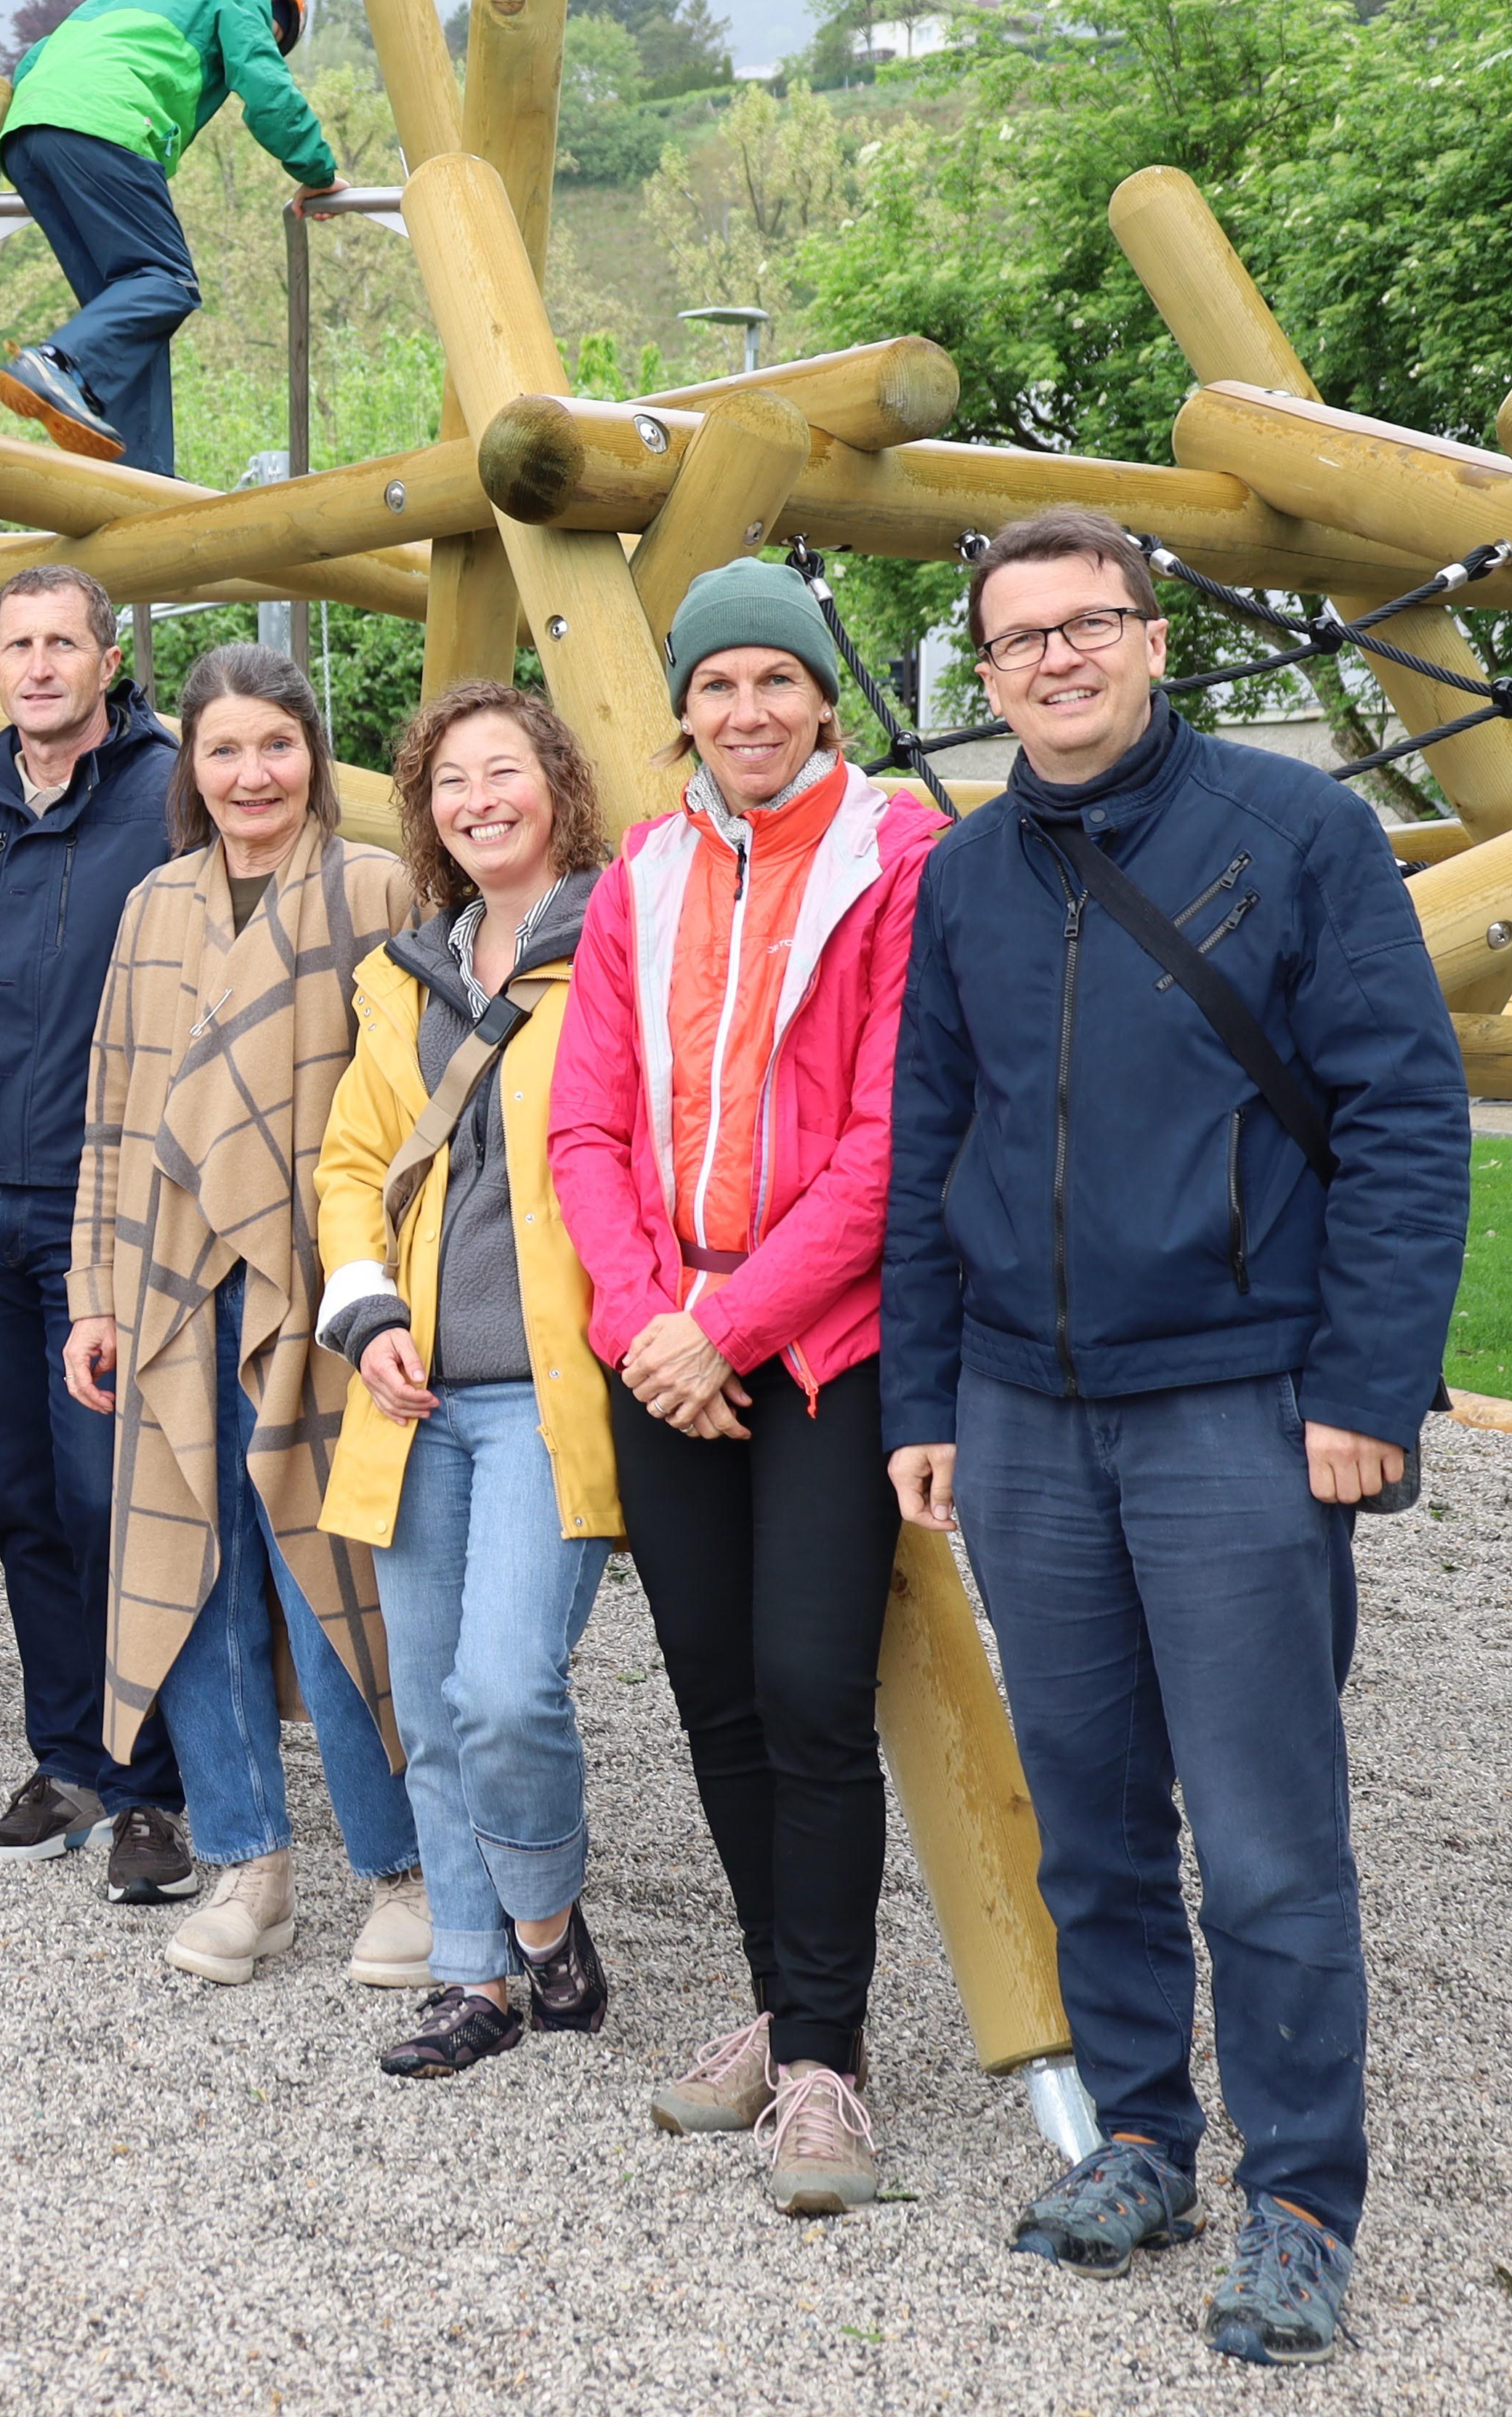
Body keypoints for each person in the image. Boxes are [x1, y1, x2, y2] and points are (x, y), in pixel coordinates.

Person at [884, 508, 1465, 2368]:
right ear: (985, 674)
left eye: (1089, 623)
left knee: (1270, 1831)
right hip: (1027, 1409)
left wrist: (1369, 1386)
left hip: (1235, 1393)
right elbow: (927, 1152)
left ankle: (1304, 2195)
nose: (1056, 657)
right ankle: (1145, 2131)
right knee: (1095, 1818)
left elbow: (1400, 1116)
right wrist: (922, 1393)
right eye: (1018, 636)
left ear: (1151, 638)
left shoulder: (1298, 834)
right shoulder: (964, 879)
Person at [545, 558, 945, 2214]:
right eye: (717, 686)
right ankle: (782, 2004)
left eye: (776, 681)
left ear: (822, 701)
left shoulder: (900, 853)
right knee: (710, 1689)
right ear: (686, 710)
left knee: (806, 1686)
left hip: (820, 1342)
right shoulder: (645, 866)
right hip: (666, 1342)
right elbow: (587, 1123)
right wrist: (649, 1318)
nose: (746, 711)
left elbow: (889, 1137)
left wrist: (733, 1322)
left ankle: (830, 2062)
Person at [65, 642, 419, 1983]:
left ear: (313, 754)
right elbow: (108, 1117)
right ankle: (245, 1862)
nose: (249, 773)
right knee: (191, 1573)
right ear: (189, 766)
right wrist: (92, 1294)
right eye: (222, 749)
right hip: (168, 1289)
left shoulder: (373, 886)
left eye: (275, 744)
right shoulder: (154, 904)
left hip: (326, 1293)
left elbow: (413, 1105)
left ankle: (398, 1871)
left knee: (330, 1579)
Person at [312, 684, 624, 2073]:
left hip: (550, 1385)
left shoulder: (618, 939)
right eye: (448, 782)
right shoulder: (404, 972)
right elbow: (346, 1163)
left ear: (554, 783)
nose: (477, 799)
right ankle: (472, 1972)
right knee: (428, 1690)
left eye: (502, 772)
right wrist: (363, 1309)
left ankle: (546, 1928)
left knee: (507, 1686)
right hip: (412, 1386)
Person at [0, 565, 197, 1897]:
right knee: (18, 1502)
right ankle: (64, 1759)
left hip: (105, 1216)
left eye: (66, 641)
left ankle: (152, 1790)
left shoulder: (167, 799)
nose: (41, 664)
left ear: (108, 661)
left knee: (107, 1498)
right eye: (19, 644)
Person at [0, 0, 336, 481]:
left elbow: (30, 65)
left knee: (129, 311)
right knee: (166, 281)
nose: (272, 39)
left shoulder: (108, 2)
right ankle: (56, 363)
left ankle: (141, 477)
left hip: (28, 140)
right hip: (108, 124)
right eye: (278, 31)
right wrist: (318, 171)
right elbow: (264, 83)